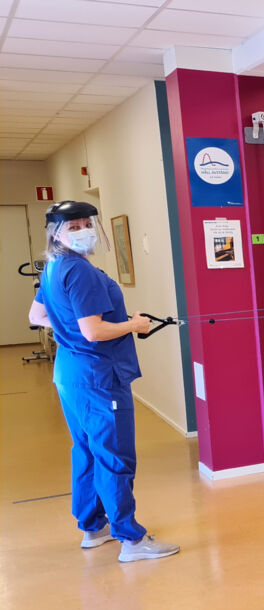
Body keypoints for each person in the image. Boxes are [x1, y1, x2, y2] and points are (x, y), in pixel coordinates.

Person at [27, 201, 179, 562]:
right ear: (57, 232)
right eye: (74, 225)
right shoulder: (79, 271)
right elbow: (94, 331)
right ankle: (131, 540)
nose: (84, 230)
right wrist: (134, 324)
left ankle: (93, 528)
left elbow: (37, 315)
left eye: (86, 223)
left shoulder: (53, 267)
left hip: (71, 375)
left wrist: (70, 329)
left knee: (86, 450)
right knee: (114, 456)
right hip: (98, 377)